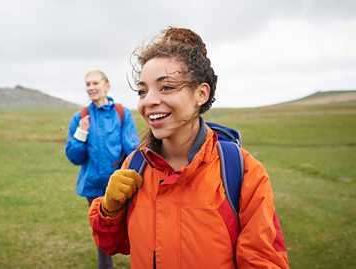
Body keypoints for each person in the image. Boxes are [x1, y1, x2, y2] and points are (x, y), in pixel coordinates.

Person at [88, 27, 290, 268]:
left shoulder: (243, 171)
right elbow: (114, 245)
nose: (149, 100)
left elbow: (263, 260)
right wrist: (109, 211)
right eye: (143, 90)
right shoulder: (135, 166)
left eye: (166, 87)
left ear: (201, 94)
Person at [65, 69, 139, 269]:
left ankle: (143, 261)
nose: (91, 87)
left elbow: (132, 148)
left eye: (95, 83)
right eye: (88, 84)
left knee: (133, 225)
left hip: (120, 185)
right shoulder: (80, 117)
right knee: (102, 229)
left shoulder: (122, 113)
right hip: (94, 186)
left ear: (107, 85)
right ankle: (105, 266)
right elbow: (74, 157)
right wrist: (81, 132)